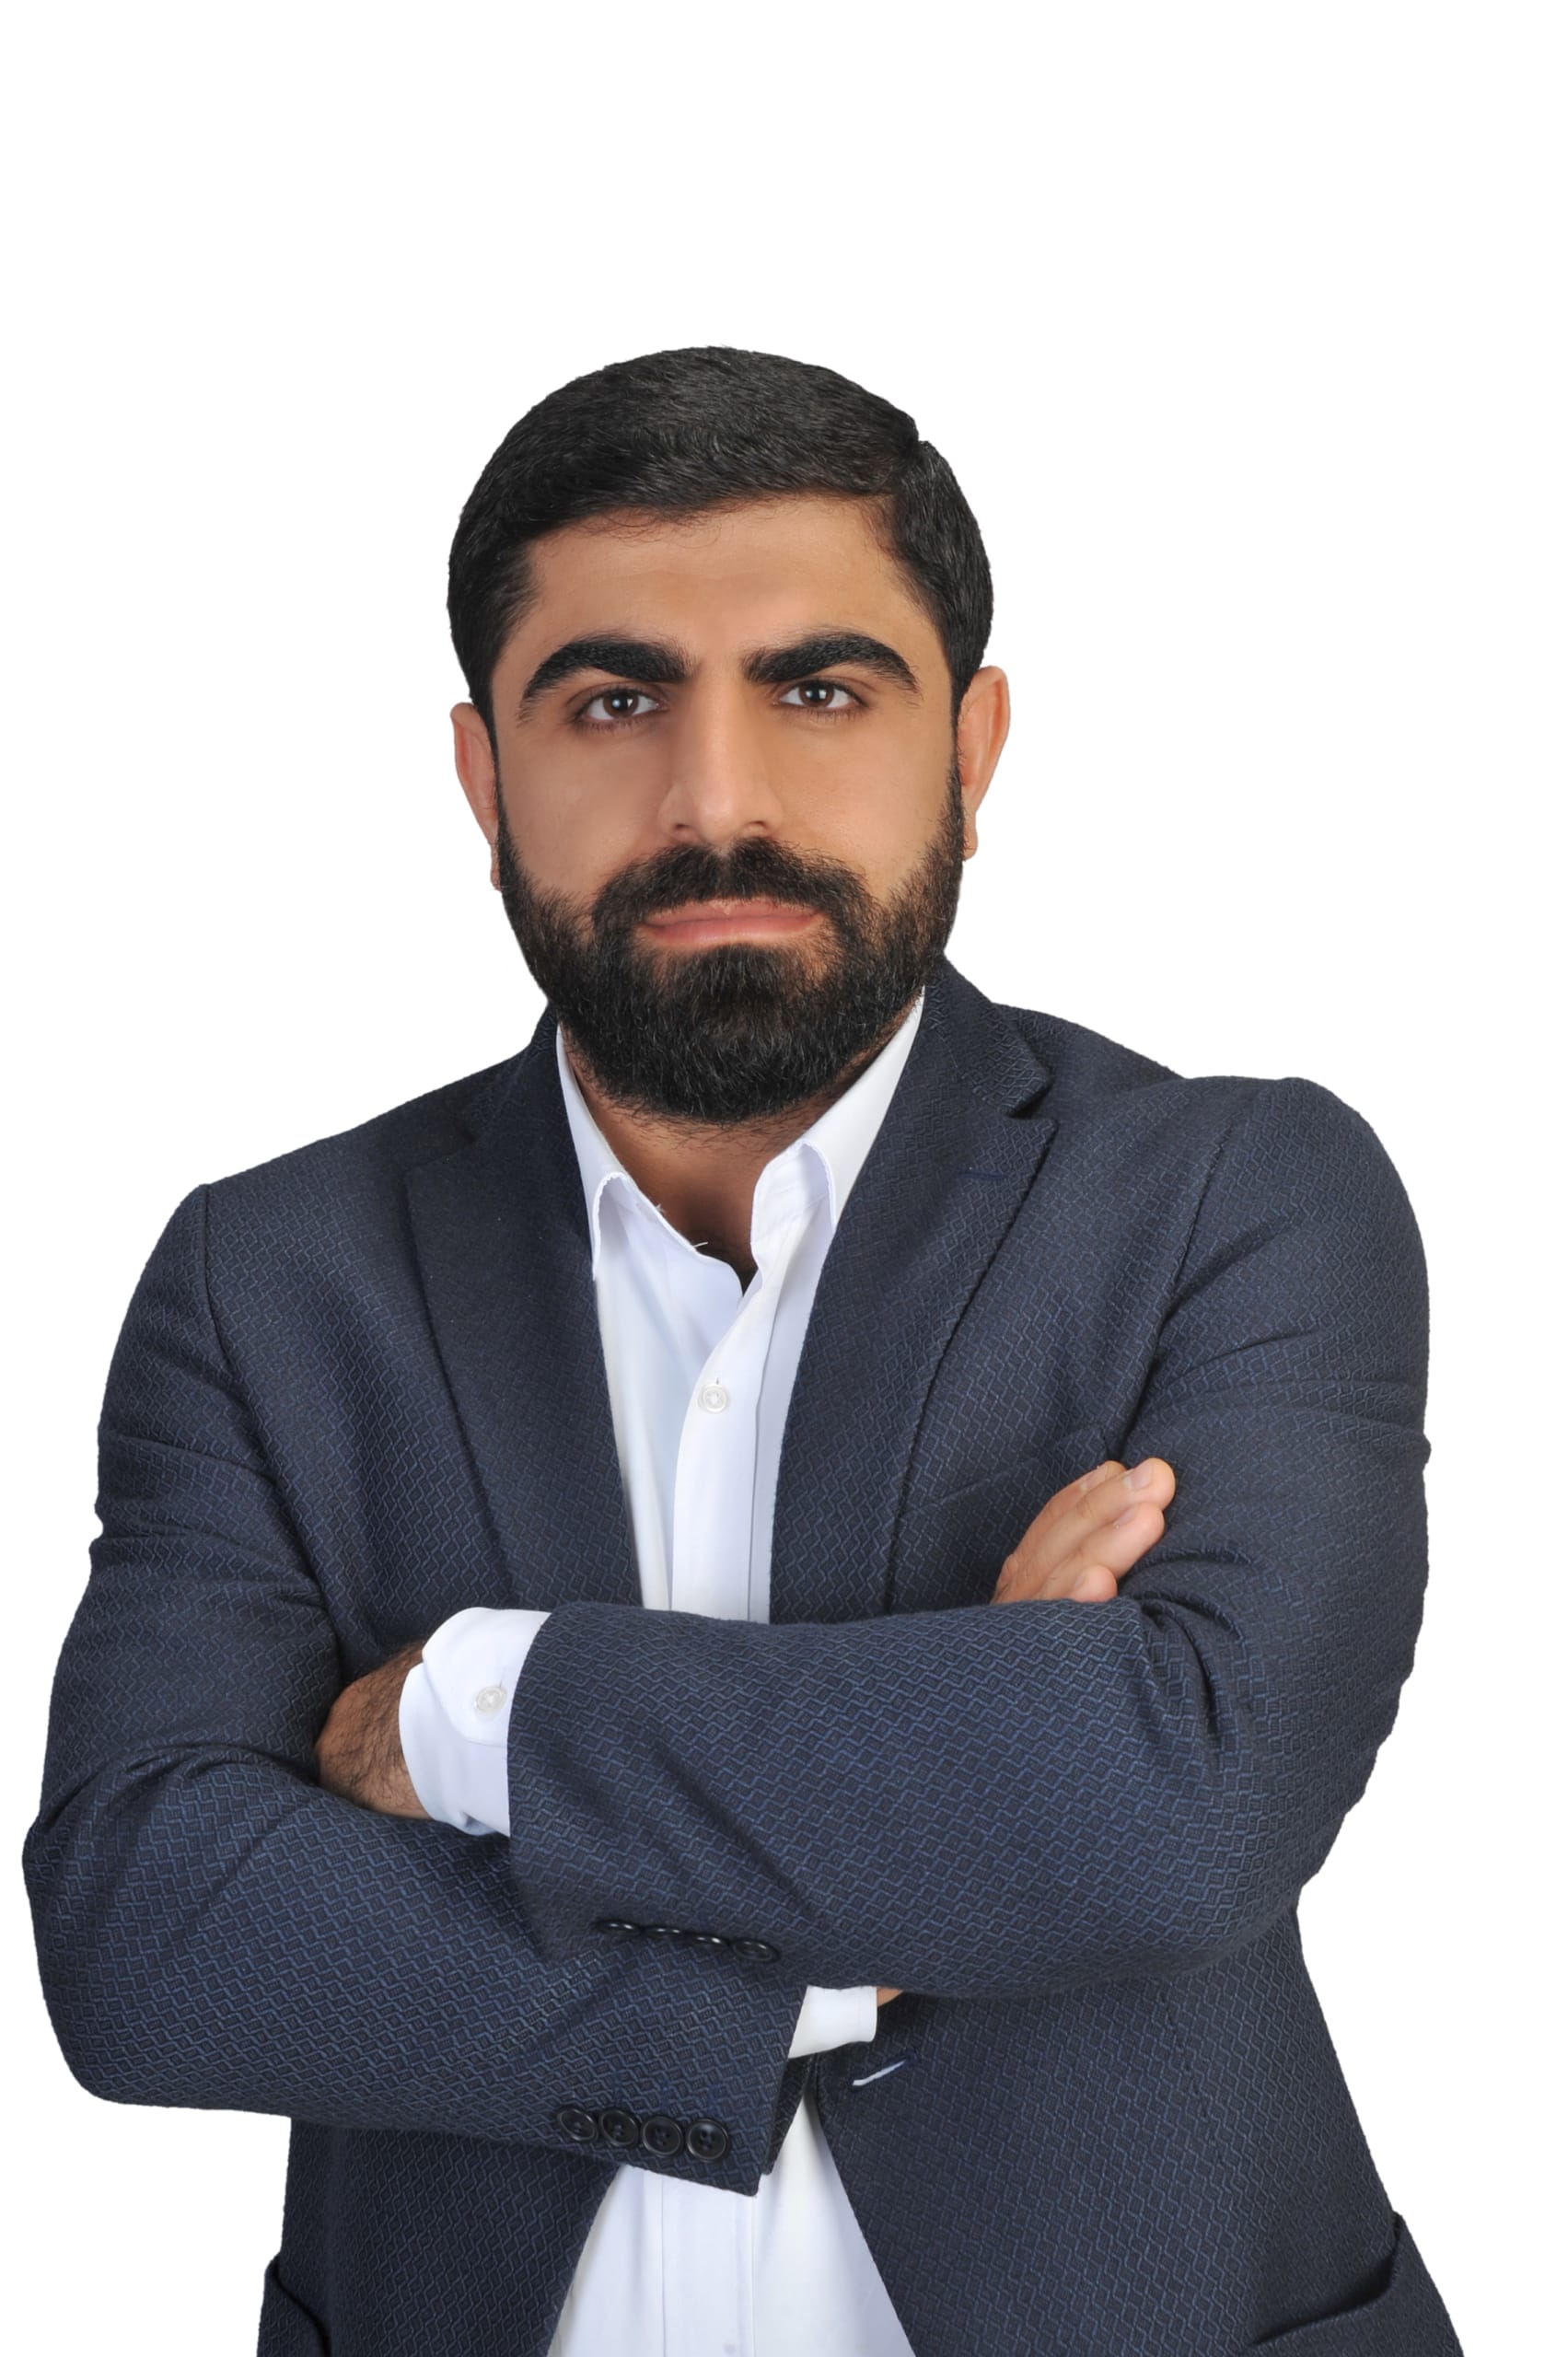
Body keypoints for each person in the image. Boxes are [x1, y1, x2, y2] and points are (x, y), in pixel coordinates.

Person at [22, 346, 1464, 2355]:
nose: (717, 800)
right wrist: (911, 1845)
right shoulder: (270, 1277)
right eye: (613, 701)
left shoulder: (1235, 1195)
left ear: (973, 749)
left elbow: (1176, 1809)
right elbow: (150, 1933)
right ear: (484, 778)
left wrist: (468, 1713)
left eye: (821, 691)